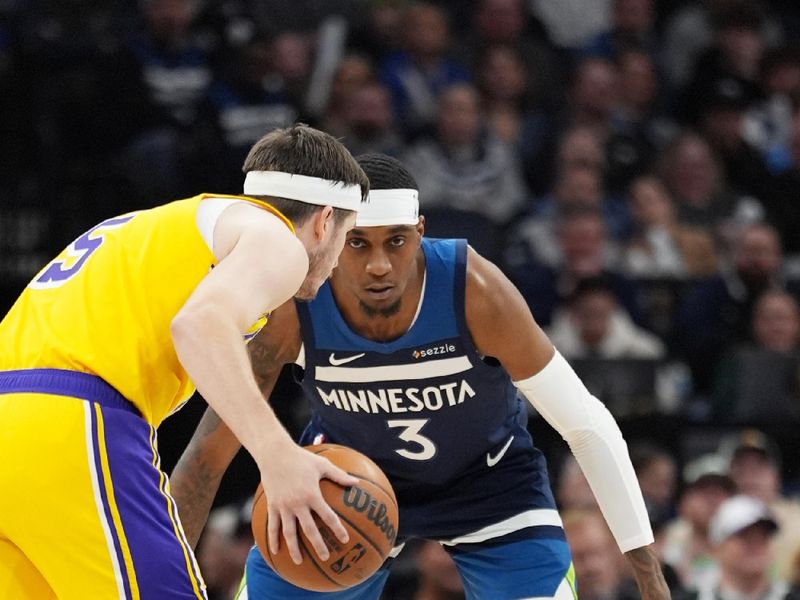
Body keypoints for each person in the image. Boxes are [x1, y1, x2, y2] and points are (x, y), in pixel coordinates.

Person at [171, 154, 670, 600]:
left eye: (397, 241)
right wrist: (162, 576)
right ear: (332, 235)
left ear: (421, 232)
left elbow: (585, 424)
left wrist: (650, 578)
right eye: (359, 244)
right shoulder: (296, 300)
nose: (380, 265)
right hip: (344, 484)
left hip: (489, 482)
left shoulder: (474, 290)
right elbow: (209, 454)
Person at [0, 124, 369, 599]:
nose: (340, 257)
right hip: (71, 420)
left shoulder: (167, 226)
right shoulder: (278, 240)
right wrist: (279, 458)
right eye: (349, 234)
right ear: (323, 221)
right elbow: (200, 324)